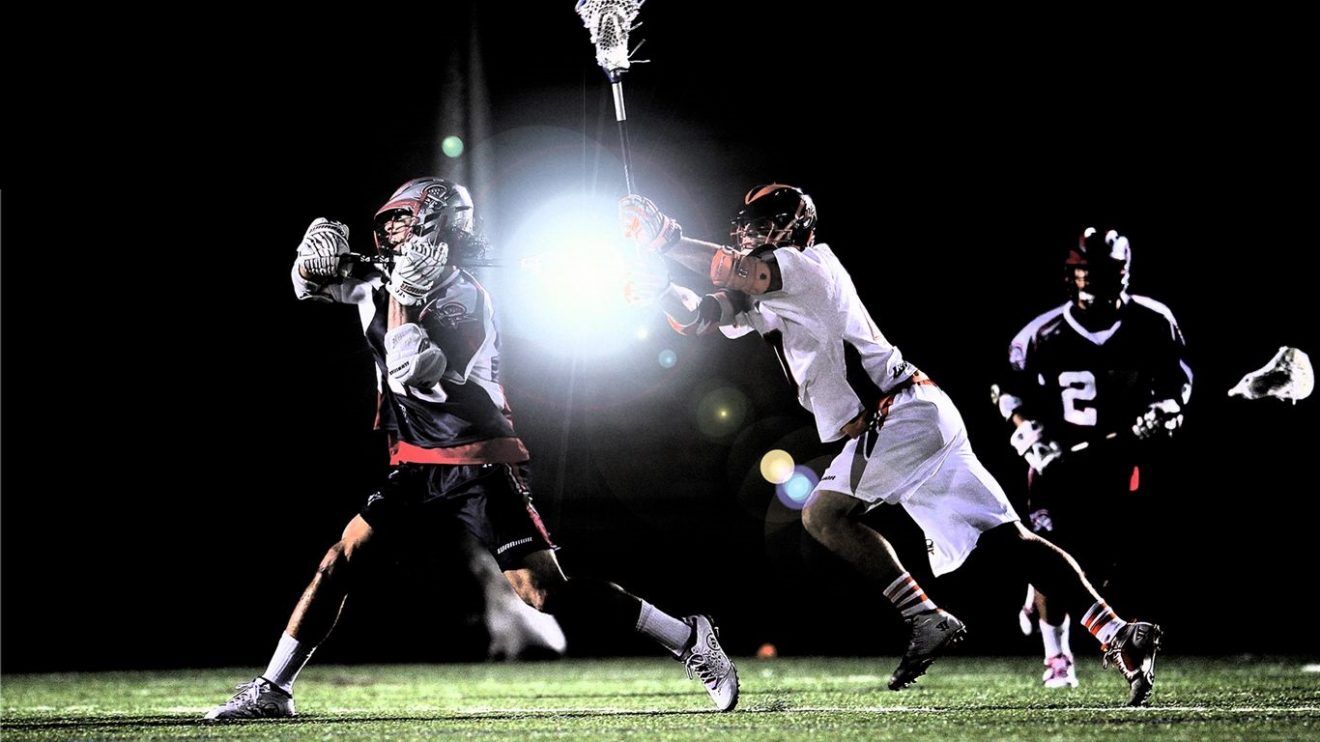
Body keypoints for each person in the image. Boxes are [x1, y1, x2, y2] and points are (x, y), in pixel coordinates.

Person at [204, 177, 738, 720]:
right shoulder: (376, 281)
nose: (391, 229)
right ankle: (274, 688)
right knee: (340, 559)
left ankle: (688, 636)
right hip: (415, 461)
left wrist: (405, 299)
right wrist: (311, 261)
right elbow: (307, 287)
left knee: (544, 594)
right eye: (388, 221)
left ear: (438, 223)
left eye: (404, 218)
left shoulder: (464, 298)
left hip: (478, 459)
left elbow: (412, 370)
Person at [620, 186, 1162, 706]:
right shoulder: (768, 284)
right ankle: (1119, 631)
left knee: (822, 514)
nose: (748, 235)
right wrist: (660, 285)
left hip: (897, 414)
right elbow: (700, 315)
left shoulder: (807, 266)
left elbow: (734, 270)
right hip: (918, 413)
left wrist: (665, 238)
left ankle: (924, 616)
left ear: (790, 228)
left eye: (761, 226)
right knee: (1008, 542)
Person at [995, 227, 1190, 689]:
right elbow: (1007, 391)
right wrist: (1030, 432)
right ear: (1071, 273)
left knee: (1098, 569)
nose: (1092, 279)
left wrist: (1168, 407)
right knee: (1053, 555)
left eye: (1103, 270)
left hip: (1121, 460)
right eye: (1085, 270)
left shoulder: (1153, 322)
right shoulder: (1041, 333)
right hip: (1058, 461)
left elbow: (1177, 382)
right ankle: (1057, 658)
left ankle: (1042, 594)